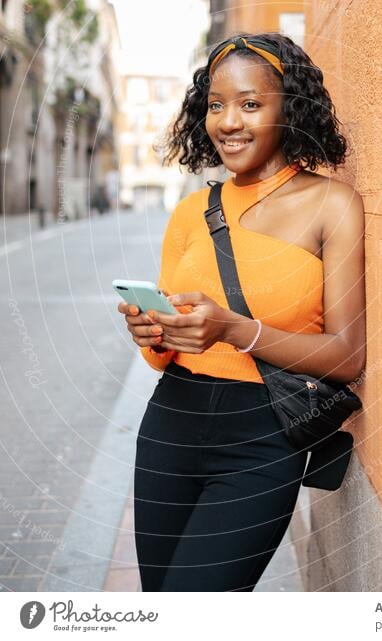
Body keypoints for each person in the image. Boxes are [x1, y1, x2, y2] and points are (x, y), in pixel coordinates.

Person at [117, 32, 367, 592]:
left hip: (262, 440)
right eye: (215, 104)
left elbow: (347, 355)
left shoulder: (332, 206)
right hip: (169, 428)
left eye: (251, 104)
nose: (229, 121)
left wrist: (233, 328)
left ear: (291, 108)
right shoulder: (191, 213)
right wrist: (151, 331)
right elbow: (161, 356)